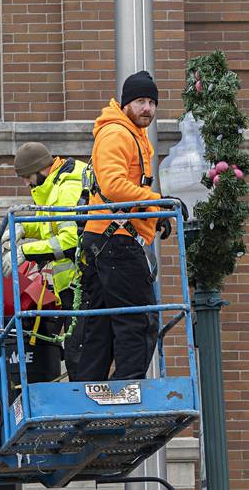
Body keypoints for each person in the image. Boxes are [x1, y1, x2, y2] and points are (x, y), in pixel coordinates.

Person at [72, 70, 187, 382]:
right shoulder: (117, 134)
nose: (147, 108)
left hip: (106, 240)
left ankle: (87, 388)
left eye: (151, 102)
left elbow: (122, 190)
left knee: (103, 326)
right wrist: (157, 202)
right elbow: (113, 185)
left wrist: (152, 214)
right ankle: (129, 388)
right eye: (140, 101)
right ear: (125, 104)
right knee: (138, 320)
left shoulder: (130, 134)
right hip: (116, 242)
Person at [1, 142, 89, 381]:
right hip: (73, 286)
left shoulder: (67, 186)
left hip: (82, 283)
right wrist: (22, 228)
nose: (26, 183)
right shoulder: (53, 187)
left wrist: (26, 252)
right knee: (76, 353)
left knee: (78, 355)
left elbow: (70, 240)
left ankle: (85, 406)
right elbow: (47, 225)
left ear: (40, 169)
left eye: (27, 176)